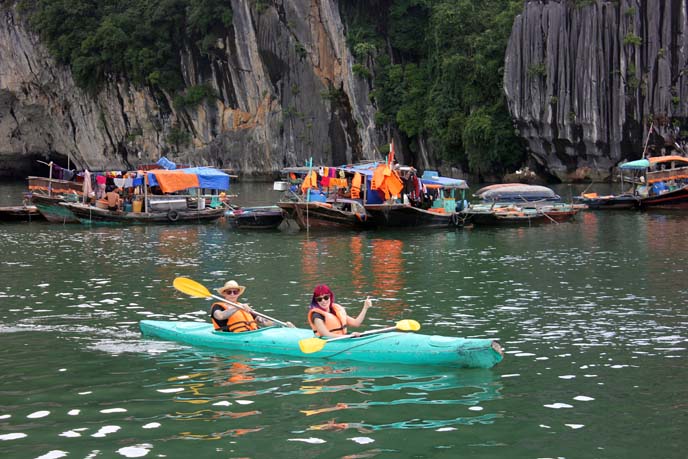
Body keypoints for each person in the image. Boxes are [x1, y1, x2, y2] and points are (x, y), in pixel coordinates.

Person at [211, 280, 292, 332]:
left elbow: (263, 321)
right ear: (224, 293)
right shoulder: (218, 307)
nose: (232, 294)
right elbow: (220, 316)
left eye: (235, 292)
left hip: (252, 333)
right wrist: (237, 307)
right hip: (233, 336)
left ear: (238, 293)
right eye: (229, 292)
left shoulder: (243, 307)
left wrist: (281, 324)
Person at [307, 284, 372, 338]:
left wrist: (365, 307)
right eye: (319, 299)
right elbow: (326, 334)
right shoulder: (316, 316)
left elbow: (356, 323)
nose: (323, 301)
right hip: (330, 341)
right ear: (316, 301)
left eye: (326, 297)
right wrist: (349, 336)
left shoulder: (336, 310)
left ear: (330, 297)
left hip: (343, 338)